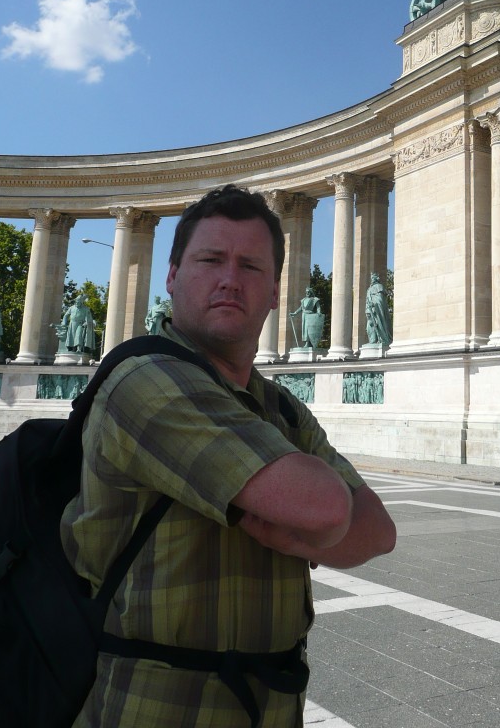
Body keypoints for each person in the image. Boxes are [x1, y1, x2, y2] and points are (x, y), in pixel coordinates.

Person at [60, 185, 396, 728]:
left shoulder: (280, 407)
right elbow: (330, 509)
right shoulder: (143, 381)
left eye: (251, 266)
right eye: (211, 259)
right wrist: (316, 526)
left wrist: (304, 523)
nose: (229, 279)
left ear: (273, 293)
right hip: (152, 709)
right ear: (171, 276)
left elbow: (378, 530)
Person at [365, 272, 392, 347]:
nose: (372, 279)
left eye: (373, 278)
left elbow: (380, 300)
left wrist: (374, 305)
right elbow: (367, 300)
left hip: (377, 310)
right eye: (371, 278)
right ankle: (373, 340)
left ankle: (380, 338)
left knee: (378, 322)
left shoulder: (380, 287)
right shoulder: (369, 289)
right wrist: (368, 308)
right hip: (370, 310)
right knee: (369, 326)